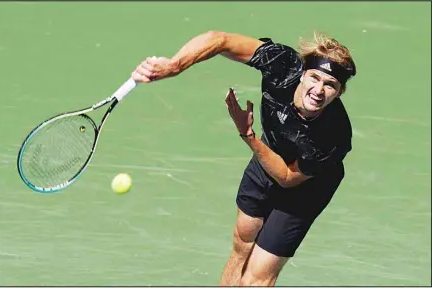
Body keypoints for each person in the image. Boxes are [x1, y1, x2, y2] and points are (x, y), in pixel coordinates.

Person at [132, 30, 357, 286]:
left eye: (330, 85)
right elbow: (221, 40)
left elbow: (286, 177)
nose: (318, 90)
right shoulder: (282, 65)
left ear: (339, 93)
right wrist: (174, 65)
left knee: (256, 277)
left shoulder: (334, 133)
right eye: (314, 78)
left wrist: (248, 135)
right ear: (303, 73)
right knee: (242, 244)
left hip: (305, 187)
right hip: (266, 159)